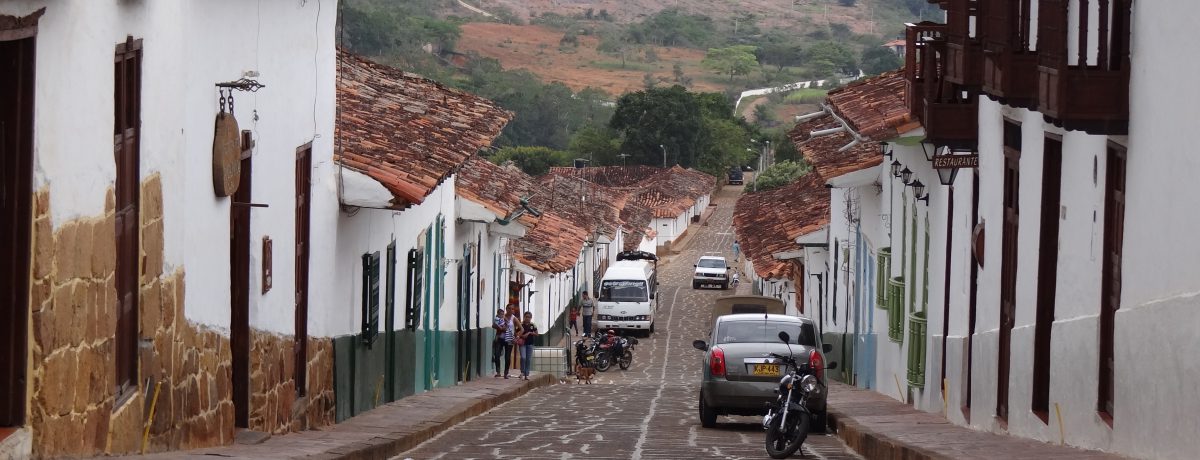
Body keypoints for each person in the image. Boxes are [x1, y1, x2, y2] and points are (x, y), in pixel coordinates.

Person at [518, 311, 539, 380]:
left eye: (529, 317)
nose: (527, 318)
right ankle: (522, 372)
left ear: (531, 318)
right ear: (524, 317)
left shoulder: (533, 325)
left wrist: (530, 333)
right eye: (526, 317)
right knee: (523, 357)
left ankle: (527, 374)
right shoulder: (520, 324)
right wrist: (523, 335)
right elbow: (517, 333)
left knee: (528, 359)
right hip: (522, 343)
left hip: (530, 344)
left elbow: (537, 334)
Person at [491, 308, 508, 378]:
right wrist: (500, 328)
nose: (502, 315)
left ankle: (506, 373)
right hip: (499, 338)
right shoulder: (497, 319)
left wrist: (504, 327)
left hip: (507, 339)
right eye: (500, 314)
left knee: (507, 356)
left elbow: (508, 327)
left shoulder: (507, 319)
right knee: (497, 355)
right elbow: (494, 325)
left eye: (503, 314)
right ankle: (498, 372)